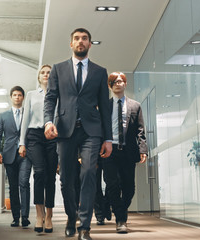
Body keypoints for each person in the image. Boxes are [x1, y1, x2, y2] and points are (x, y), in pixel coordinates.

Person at [43, 27, 112, 240]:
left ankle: (85, 227)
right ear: (71, 44)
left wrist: (108, 138)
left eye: (84, 39)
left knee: (89, 173)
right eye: (76, 38)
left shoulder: (100, 72)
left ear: (90, 44)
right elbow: (51, 98)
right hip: (65, 130)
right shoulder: (58, 69)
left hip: (92, 131)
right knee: (66, 179)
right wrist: (47, 122)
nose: (80, 41)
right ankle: (71, 217)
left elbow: (104, 106)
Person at [102, 72, 147, 234]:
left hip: (128, 151)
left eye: (121, 81)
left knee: (129, 189)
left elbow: (141, 130)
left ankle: (110, 204)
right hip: (110, 151)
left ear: (125, 84)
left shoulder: (135, 106)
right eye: (114, 82)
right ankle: (121, 220)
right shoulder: (105, 106)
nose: (118, 84)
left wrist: (143, 149)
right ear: (110, 86)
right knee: (113, 185)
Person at [18, 65, 58, 233]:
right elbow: (25, 119)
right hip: (34, 135)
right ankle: (39, 215)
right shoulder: (31, 95)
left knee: (50, 176)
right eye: (43, 72)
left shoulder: (57, 94)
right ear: (38, 76)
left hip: (52, 136)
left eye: (49, 72)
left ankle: (49, 215)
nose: (46, 75)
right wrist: (22, 142)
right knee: (39, 172)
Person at [0, 86, 32, 228]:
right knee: (13, 187)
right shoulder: (3, 116)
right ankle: (16, 217)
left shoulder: (29, 113)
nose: (17, 97)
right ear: (11, 97)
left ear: (23, 97)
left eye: (20, 95)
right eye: (14, 95)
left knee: (24, 183)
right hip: (9, 156)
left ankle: (25, 217)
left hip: (25, 154)